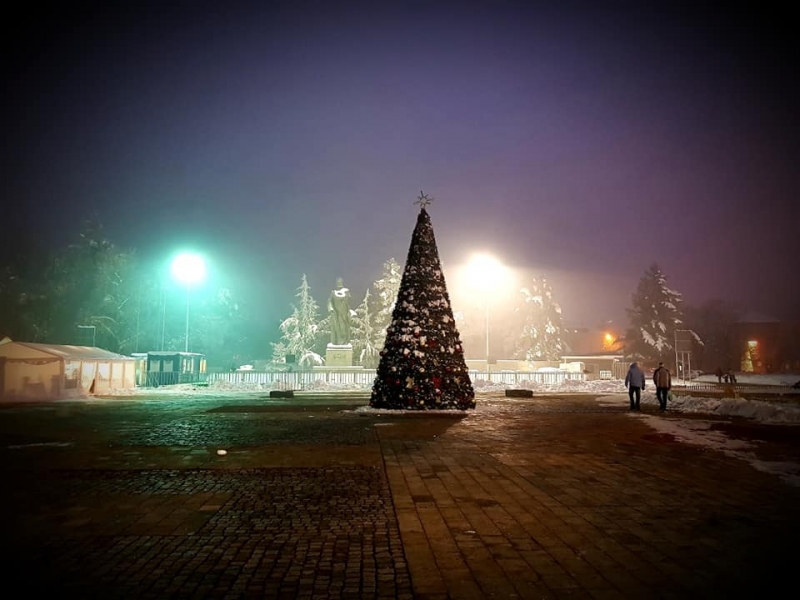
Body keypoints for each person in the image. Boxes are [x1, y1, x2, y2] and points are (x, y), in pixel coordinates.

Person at [328, 277, 352, 345]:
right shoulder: (333, 292)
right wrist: (331, 308)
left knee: (343, 327)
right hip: (336, 313)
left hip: (344, 313)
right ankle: (338, 341)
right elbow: (329, 301)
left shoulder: (346, 291)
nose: (339, 283)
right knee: (336, 327)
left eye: (340, 282)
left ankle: (344, 341)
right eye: (338, 282)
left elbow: (348, 301)